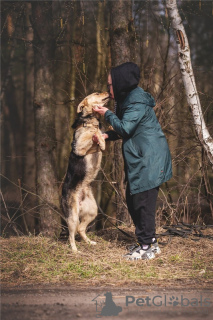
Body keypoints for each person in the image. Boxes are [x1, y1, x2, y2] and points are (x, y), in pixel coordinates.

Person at [93, 62, 172, 260]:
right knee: (133, 199)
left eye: (110, 84)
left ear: (121, 83)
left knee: (143, 203)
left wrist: (106, 114)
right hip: (141, 157)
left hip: (149, 159)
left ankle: (146, 247)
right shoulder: (128, 100)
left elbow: (126, 128)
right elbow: (124, 129)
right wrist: (106, 136)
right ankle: (149, 242)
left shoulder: (136, 102)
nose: (108, 87)